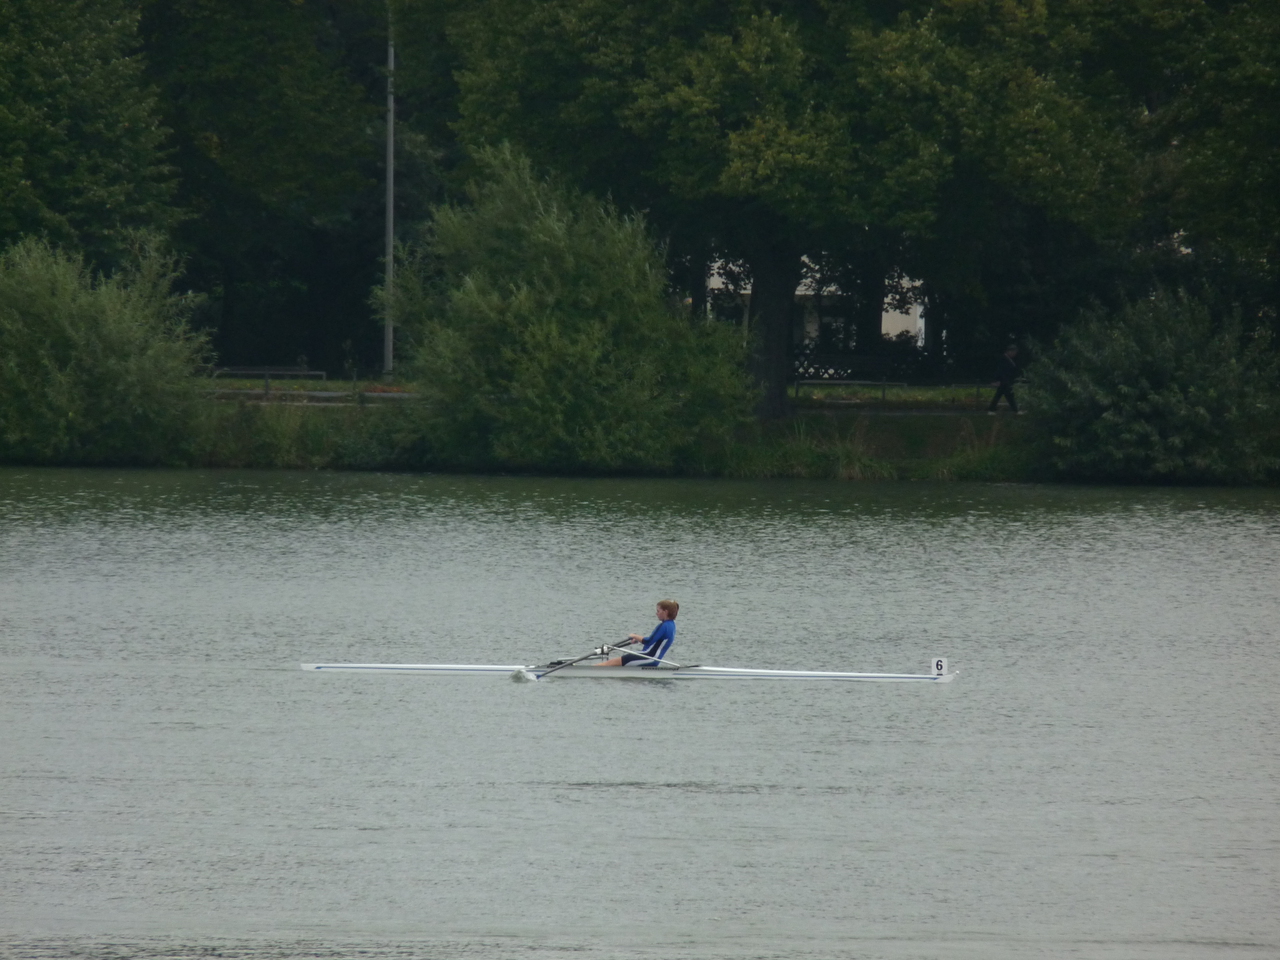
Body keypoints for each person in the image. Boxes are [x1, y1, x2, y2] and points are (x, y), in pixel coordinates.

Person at [595, 600, 678, 667]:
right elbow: (656, 641)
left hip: (649, 657)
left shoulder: (664, 626)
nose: (656, 613)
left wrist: (634, 635)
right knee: (616, 662)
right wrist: (638, 639)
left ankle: (591, 671)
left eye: (658, 611)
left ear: (665, 612)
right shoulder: (672, 625)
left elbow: (648, 641)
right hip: (653, 658)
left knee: (610, 663)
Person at [988, 344, 1021, 414]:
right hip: (1004, 381)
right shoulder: (1003, 359)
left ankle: (991, 409)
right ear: (1009, 351)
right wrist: (996, 380)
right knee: (1009, 396)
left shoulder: (1008, 359)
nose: (1015, 354)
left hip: (1005, 381)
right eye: (1014, 352)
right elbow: (999, 370)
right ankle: (1015, 410)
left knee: (1001, 395)